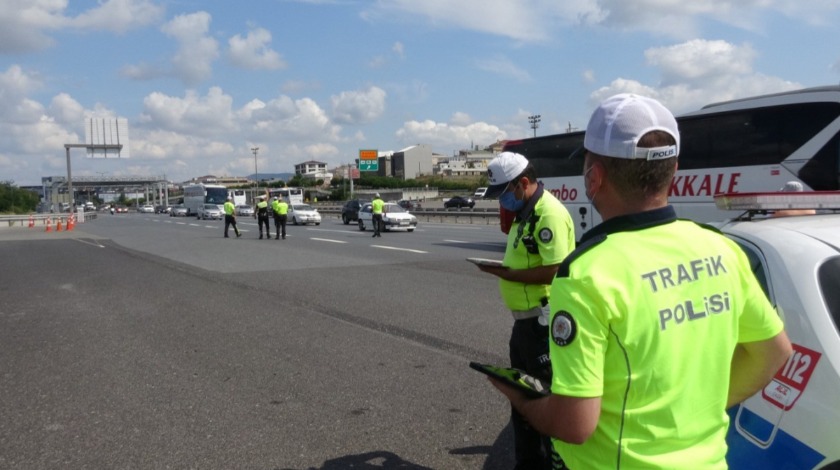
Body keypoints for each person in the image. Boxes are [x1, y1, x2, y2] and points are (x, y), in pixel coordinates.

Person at [488, 93, 793, 469]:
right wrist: (692, 409)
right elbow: (775, 352)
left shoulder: (587, 274)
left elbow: (575, 424)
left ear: (594, 177)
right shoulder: (722, 249)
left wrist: (521, 398)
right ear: (674, 169)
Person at [476, 151, 575, 470]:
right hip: (525, 326)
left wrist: (508, 275)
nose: (502, 201)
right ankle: (528, 464)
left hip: (543, 325)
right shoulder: (526, 213)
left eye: (504, 193)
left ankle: (551, 464)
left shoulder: (549, 214)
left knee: (544, 400)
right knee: (522, 398)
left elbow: (557, 268)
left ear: (522, 183)